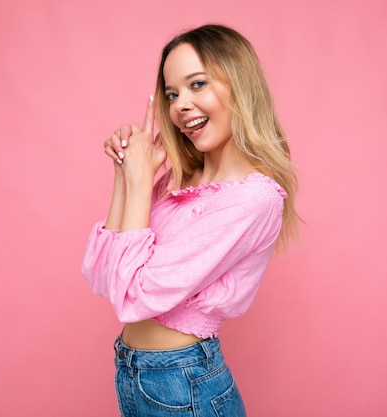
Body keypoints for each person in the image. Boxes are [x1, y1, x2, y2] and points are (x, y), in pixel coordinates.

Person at [82, 24, 298, 416]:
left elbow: (136, 298)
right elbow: (102, 277)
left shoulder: (254, 198)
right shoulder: (177, 184)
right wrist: (126, 176)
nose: (180, 104)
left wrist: (141, 177)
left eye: (197, 84)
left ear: (239, 86)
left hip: (183, 385)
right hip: (135, 375)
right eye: (172, 93)